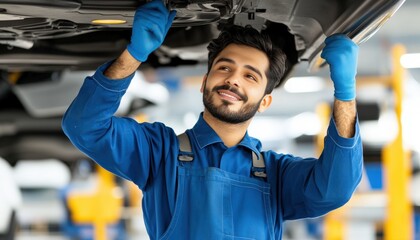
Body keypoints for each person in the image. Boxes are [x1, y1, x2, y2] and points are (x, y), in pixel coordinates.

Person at [62, 0, 363, 239]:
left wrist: (346, 95)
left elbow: (335, 188)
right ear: (206, 80)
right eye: (224, 68)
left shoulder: (277, 176)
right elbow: (84, 126)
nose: (233, 80)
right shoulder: (159, 153)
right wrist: (134, 54)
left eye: (250, 76)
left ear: (265, 101)